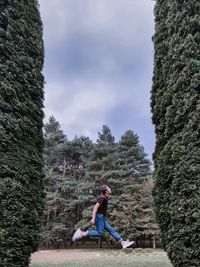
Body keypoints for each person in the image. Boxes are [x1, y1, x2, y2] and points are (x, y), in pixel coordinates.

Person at [72, 184, 134, 249]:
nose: (110, 189)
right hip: (99, 217)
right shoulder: (102, 198)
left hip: (102, 218)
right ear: (106, 191)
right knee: (99, 233)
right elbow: (95, 207)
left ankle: (123, 243)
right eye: (108, 188)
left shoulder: (105, 198)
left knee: (111, 230)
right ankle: (81, 233)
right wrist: (93, 218)